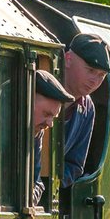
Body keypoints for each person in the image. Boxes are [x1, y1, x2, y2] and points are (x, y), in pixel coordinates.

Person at [61, 32, 110, 187]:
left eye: (102, 75)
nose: (95, 81)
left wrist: (50, 183)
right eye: (91, 70)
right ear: (68, 59)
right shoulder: (35, 89)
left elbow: (74, 165)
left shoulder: (88, 109)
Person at [33, 71, 73, 206]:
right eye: (46, 114)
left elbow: (37, 182)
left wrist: (27, 200)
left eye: (53, 118)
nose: (50, 124)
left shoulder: (36, 133)